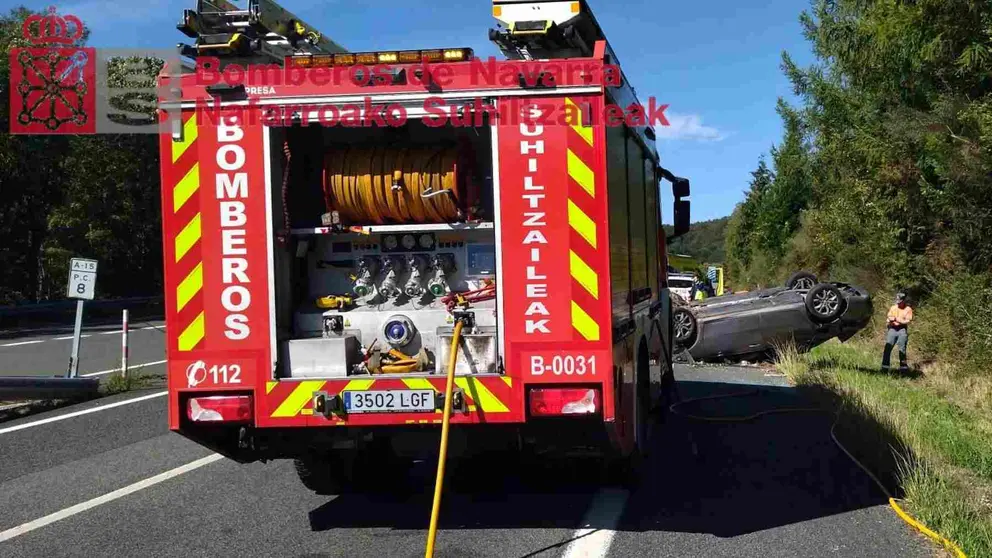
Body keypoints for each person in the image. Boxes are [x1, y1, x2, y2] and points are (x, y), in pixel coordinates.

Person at [882, 292, 913, 371]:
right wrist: (892, 320)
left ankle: (903, 368)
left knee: (902, 350)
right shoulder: (893, 307)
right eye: (897, 301)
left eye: (900, 301)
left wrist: (896, 319)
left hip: (902, 330)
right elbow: (889, 317)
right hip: (892, 329)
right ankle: (885, 367)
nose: (898, 303)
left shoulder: (908, 309)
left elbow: (907, 321)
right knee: (887, 348)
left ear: (903, 301)